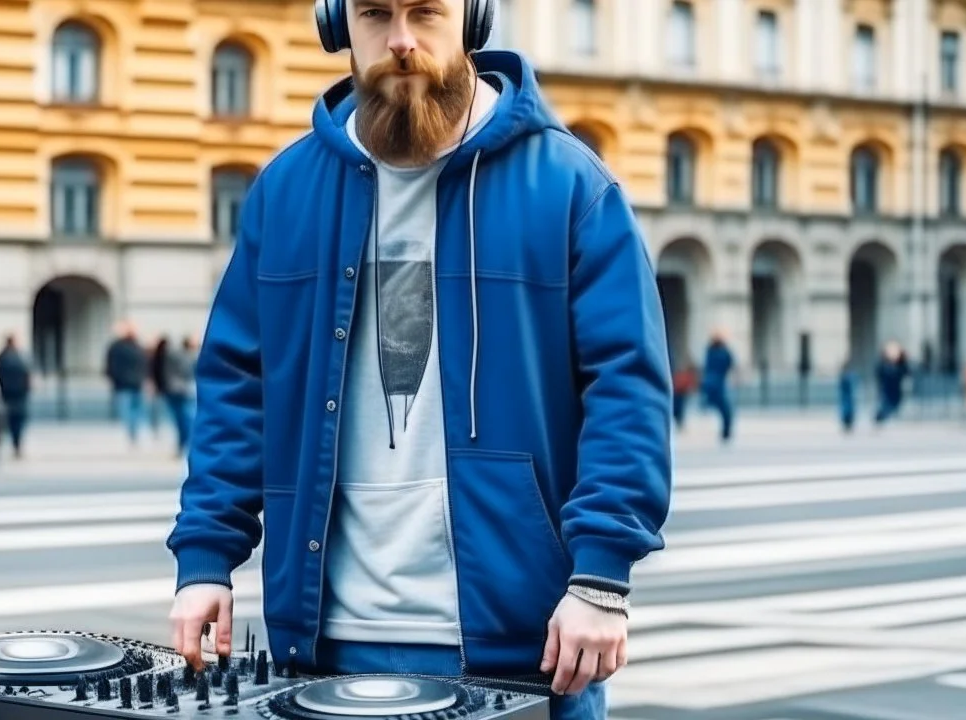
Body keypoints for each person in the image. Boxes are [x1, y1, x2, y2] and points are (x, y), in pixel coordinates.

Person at [165, 1, 674, 718]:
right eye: (376, 14)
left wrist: (601, 579)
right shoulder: (284, 193)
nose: (401, 41)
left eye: (425, 12)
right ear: (338, 24)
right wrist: (205, 559)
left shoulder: (571, 188)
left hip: (527, 647)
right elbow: (236, 389)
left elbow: (627, 390)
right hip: (323, 642)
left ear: (473, 18)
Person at [0, 332, 32, 457]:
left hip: (7, 395)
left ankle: (10, 446)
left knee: (8, 421)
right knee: (17, 422)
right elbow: (27, 375)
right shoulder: (20, 357)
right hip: (18, 395)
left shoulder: (2, 357)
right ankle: (17, 446)